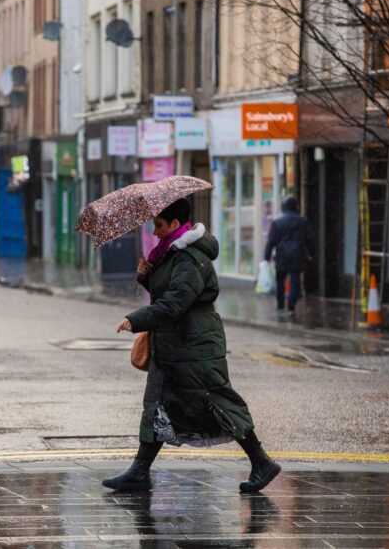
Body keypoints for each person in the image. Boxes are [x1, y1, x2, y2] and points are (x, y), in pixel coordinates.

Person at [105, 198, 281, 493]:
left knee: (219, 402)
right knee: (157, 405)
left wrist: (136, 319)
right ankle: (139, 472)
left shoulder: (189, 258)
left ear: (175, 225)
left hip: (195, 346)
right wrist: (146, 278)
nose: (154, 231)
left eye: (159, 225)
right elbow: (169, 294)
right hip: (175, 345)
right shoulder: (170, 254)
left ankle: (261, 461)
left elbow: (175, 303)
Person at [263, 197, 309, 315]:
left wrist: (266, 257)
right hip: (297, 255)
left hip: (282, 255)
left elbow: (271, 241)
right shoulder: (302, 221)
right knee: (295, 281)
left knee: (280, 281)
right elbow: (309, 239)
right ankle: (291, 307)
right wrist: (311, 253)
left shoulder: (277, 222)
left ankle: (280, 305)